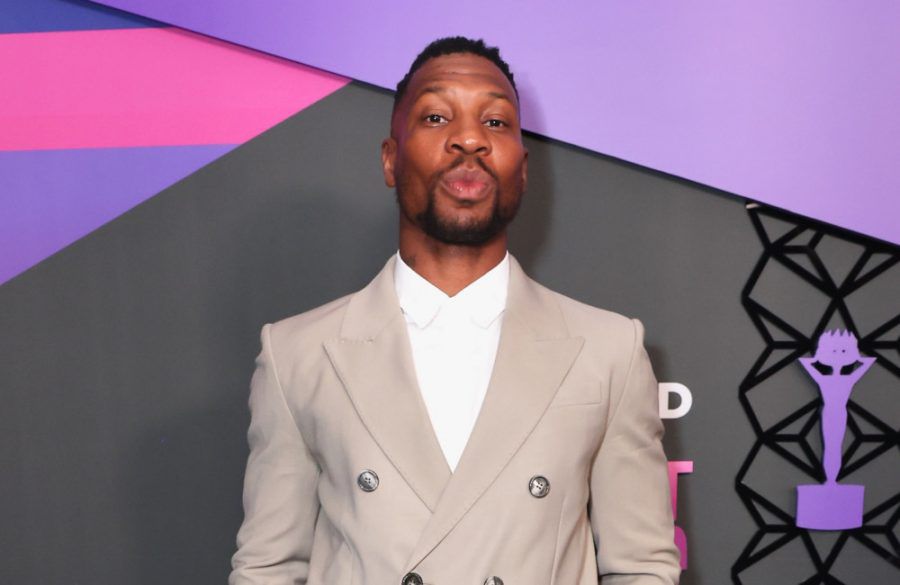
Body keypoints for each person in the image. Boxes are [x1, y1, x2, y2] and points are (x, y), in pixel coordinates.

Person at [229, 36, 680, 585]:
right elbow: (269, 569)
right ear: (391, 159)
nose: (469, 139)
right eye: (437, 116)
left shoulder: (609, 351)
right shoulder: (297, 354)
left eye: (495, 122)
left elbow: (641, 568)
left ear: (523, 166)